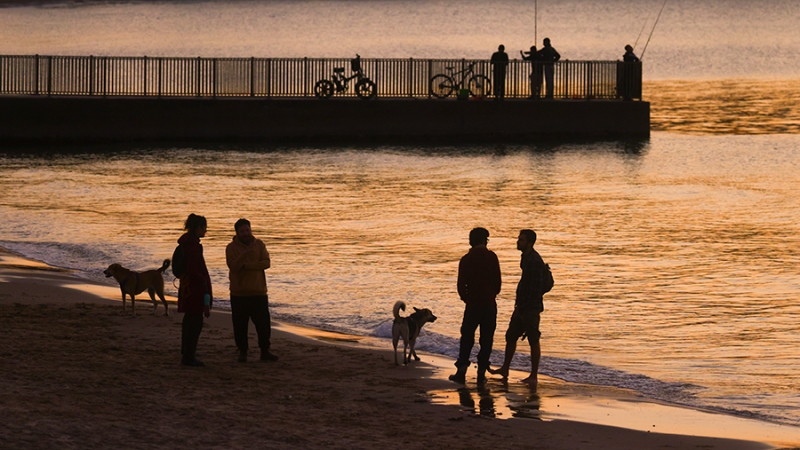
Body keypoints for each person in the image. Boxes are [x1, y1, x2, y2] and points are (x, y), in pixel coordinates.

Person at [488, 229, 549, 390]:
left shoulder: (534, 261)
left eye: (521, 240)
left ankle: (533, 376)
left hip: (530, 309)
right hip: (521, 307)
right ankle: (505, 369)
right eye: (518, 239)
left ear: (530, 243)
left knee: (533, 339)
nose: (518, 241)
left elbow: (536, 289)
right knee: (511, 336)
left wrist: (526, 308)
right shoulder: (525, 257)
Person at [449, 227, 502, 385]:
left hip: (472, 304)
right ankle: (481, 373)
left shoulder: (466, 259)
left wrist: (466, 298)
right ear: (484, 240)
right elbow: (498, 283)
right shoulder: (492, 257)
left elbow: (460, 285)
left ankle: (462, 371)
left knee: (467, 337)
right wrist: (491, 294)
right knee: (486, 339)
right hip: (489, 304)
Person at [226, 218, 278, 363]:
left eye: (247, 230)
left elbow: (266, 263)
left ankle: (265, 351)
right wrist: (243, 255)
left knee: (263, 325)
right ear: (237, 233)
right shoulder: (231, 248)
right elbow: (233, 266)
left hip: (258, 292)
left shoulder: (259, 244)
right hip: (239, 293)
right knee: (240, 325)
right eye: (242, 231)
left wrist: (248, 265)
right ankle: (243, 352)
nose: (245, 233)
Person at [177, 213, 213, 367]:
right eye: (204, 227)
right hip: (194, 289)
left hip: (187, 288)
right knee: (195, 323)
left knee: (189, 320)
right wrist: (203, 280)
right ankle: (189, 356)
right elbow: (192, 269)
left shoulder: (186, 243)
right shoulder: (193, 245)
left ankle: (186, 353)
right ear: (198, 228)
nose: (205, 230)